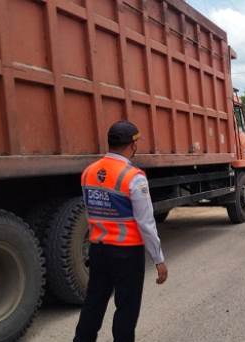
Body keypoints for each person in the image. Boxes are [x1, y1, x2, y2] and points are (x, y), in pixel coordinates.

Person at [74, 121, 168, 342]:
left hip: (98, 250)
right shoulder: (133, 176)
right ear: (132, 144)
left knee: (93, 302)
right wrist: (158, 259)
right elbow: (145, 223)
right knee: (126, 308)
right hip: (127, 254)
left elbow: (91, 212)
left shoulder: (89, 172)